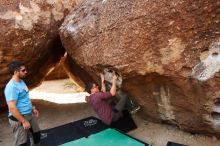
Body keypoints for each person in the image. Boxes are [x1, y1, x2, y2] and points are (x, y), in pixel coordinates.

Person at [4, 61, 41, 146]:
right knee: (22, 143)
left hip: (29, 115)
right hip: (19, 118)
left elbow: (26, 97)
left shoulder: (21, 82)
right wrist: (23, 121)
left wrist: (33, 108)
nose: (26, 72)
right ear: (16, 72)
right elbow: (12, 108)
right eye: (23, 70)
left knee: (36, 136)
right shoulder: (11, 87)